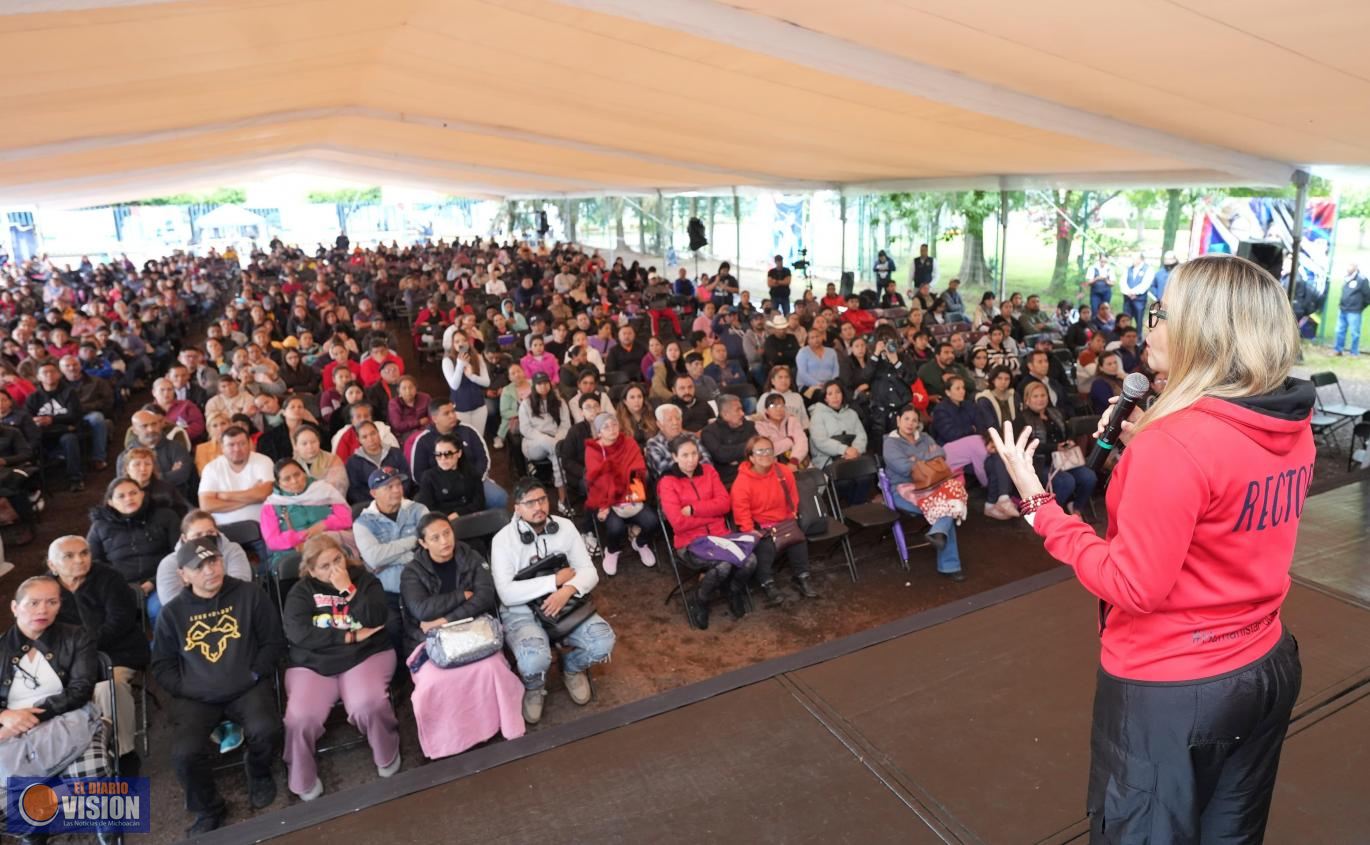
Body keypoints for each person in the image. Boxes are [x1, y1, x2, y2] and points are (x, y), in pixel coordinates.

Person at [988, 254, 1312, 842]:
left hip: (1174, 690)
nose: (1149, 327)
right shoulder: (1287, 421)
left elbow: (1133, 586)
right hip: (1265, 663)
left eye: (1162, 314)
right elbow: (1233, 510)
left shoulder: (1175, 446)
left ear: (1202, 331)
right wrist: (1159, 453)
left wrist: (1040, 506)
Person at [152, 538, 284, 835]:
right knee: (184, 753)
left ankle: (259, 772)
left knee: (267, 728)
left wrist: (254, 675)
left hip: (246, 685)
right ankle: (208, 807)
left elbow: (272, 641)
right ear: (183, 575)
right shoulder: (171, 613)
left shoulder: (250, 594)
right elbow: (161, 666)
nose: (209, 570)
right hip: (196, 696)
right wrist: (188, 687)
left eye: (213, 561)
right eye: (198, 566)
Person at [281, 535, 398, 801]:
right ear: (310, 571)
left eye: (337, 560)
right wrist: (348, 636)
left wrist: (349, 590)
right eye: (325, 566)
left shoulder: (363, 579)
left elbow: (377, 618)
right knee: (300, 719)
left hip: (364, 656)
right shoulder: (301, 592)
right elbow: (298, 633)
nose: (335, 570)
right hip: (314, 664)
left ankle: (386, 751)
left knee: (368, 704)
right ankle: (303, 777)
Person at [490, 478, 616, 725]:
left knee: (603, 642)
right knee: (533, 659)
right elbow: (506, 593)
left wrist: (566, 590)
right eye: (530, 502)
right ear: (517, 508)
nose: (538, 507)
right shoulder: (502, 540)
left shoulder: (565, 527)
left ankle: (571, 667)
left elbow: (589, 572)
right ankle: (535, 686)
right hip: (521, 611)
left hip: (565, 604)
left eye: (542, 499)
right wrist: (554, 581)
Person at [400, 515, 525, 758]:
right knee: (433, 683)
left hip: (474, 631)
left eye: (447, 533)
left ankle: (497, 725)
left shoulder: (471, 556)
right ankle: (448, 741)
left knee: (492, 668)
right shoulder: (412, 572)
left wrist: (445, 619)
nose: (445, 541)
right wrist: (461, 596)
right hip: (432, 640)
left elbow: (486, 596)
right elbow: (421, 610)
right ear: (423, 543)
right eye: (435, 538)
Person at [48, 536, 147, 772]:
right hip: (70, 661)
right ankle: (73, 758)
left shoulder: (109, 578)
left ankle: (124, 754)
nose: (80, 560)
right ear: (52, 565)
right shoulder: (46, 590)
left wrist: (84, 648)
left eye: (84, 553)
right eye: (69, 556)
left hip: (118, 651)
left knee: (109, 686)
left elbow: (120, 621)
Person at [0, 577, 102, 790]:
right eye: (34, 603)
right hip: (10, 726)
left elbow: (80, 690)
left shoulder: (76, 637)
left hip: (65, 716)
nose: (42, 610)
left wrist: (30, 718)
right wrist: (5, 717)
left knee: (90, 770)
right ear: (15, 607)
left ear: (59, 606)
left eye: (51, 602)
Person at [658, 435, 755, 628]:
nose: (691, 459)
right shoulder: (667, 482)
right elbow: (678, 523)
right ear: (674, 457)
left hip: (721, 536)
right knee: (723, 566)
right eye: (684, 455)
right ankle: (700, 599)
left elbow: (725, 504)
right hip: (690, 543)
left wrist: (694, 509)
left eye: (694, 453)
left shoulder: (709, 471)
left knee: (750, 561)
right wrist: (713, 511)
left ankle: (734, 590)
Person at [882, 405, 966, 581]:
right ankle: (949, 564)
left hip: (932, 484)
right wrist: (927, 459)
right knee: (947, 507)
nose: (910, 424)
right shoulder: (890, 443)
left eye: (914, 420)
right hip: (904, 489)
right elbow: (903, 468)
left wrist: (916, 461)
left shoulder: (925, 437)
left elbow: (941, 454)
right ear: (898, 420)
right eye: (906, 419)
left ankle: (938, 532)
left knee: (954, 490)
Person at [731, 435, 817, 602]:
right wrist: (751, 531)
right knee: (765, 546)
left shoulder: (782, 471)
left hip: (784, 520)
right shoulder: (742, 483)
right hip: (761, 526)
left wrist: (791, 515)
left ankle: (802, 577)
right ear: (751, 457)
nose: (766, 454)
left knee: (798, 539)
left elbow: (792, 494)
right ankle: (767, 583)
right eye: (760, 451)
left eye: (769, 450)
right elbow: (742, 513)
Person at [86, 477, 180, 621]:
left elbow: (178, 554)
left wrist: (153, 582)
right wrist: (121, 586)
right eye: (121, 496)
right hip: (119, 587)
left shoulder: (166, 516)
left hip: (160, 581)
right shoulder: (99, 527)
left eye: (133, 493)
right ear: (110, 502)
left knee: (160, 610)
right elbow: (94, 563)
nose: (129, 498)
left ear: (142, 494)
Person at [585, 413, 656, 575]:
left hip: (631, 495)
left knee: (652, 521)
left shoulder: (629, 442)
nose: (612, 429)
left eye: (614, 424)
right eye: (606, 427)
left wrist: (629, 491)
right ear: (598, 432)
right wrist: (605, 504)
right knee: (615, 528)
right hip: (608, 500)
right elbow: (598, 480)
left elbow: (638, 470)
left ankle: (640, 543)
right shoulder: (593, 449)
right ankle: (612, 550)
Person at [197, 425, 274, 566]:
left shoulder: (263, 461)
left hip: (261, 530)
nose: (237, 449)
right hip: (223, 533)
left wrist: (225, 496)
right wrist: (251, 497)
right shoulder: (212, 468)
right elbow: (206, 505)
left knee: (271, 563)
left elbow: (264, 493)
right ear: (222, 447)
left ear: (250, 443)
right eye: (231, 445)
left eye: (242, 443)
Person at [261, 458, 352, 576]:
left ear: (304, 473)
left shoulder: (323, 490)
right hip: (294, 551)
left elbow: (346, 519)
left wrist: (324, 525)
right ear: (279, 484)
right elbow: (273, 542)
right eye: (287, 479)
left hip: (330, 543)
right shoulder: (271, 505)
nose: (294, 481)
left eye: (297, 475)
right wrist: (301, 536)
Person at [1019, 381, 1096, 515]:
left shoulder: (1055, 412)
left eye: (1043, 395)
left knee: (1089, 477)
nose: (1040, 399)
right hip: (1040, 463)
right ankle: (1051, 514)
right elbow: (1025, 445)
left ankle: (1076, 509)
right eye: (1035, 396)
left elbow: (1069, 431)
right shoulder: (1022, 418)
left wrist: (1069, 441)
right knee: (1066, 481)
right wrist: (1054, 447)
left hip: (1063, 460)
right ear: (1027, 400)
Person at [155, 510, 254, 607]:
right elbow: (171, 604)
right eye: (198, 535)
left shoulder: (232, 550)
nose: (205, 538)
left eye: (210, 532)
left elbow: (241, 586)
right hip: (188, 617)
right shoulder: (169, 563)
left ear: (217, 532)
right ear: (184, 538)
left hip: (232, 607)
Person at [26, 362, 84, 491]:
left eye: (52, 371)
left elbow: (75, 415)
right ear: (38, 377)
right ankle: (36, 484)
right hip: (45, 432)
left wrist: (51, 419)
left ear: (58, 374)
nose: (49, 375)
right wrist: (36, 420)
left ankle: (75, 479)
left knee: (69, 439)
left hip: (65, 432)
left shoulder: (69, 392)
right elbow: (27, 419)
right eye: (44, 373)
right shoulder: (33, 397)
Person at [518, 372, 571, 507]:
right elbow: (525, 429)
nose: (543, 386)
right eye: (539, 384)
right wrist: (547, 440)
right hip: (532, 443)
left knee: (556, 454)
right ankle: (564, 500)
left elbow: (565, 425)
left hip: (555, 439)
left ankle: (562, 500)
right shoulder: (526, 403)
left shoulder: (560, 401)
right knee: (556, 449)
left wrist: (557, 439)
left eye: (546, 383)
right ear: (534, 386)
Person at [930, 376, 989, 487]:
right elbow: (951, 435)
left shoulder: (969, 405)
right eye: (957, 388)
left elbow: (981, 427)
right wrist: (971, 429)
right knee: (979, 449)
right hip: (950, 451)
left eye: (963, 388)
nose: (962, 391)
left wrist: (973, 431)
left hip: (973, 448)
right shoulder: (941, 409)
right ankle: (990, 488)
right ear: (948, 392)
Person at [58, 354, 111, 472]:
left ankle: (98, 458)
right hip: (66, 416)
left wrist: (84, 407)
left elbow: (107, 401)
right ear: (61, 369)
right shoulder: (57, 386)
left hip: (88, 413)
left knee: (97, 418)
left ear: (80, 365)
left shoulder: (97, 381)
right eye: (67, 366)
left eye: (75, 364)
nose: (72, 368)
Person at [415, 433, 486, 518]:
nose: (443, 459)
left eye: (448, 454)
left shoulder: (471, 472)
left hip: (470, 516)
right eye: (438, 454)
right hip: (442, 521)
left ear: (459, 453)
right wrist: (447, 517)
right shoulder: (429, 477)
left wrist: (458, 514)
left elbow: (479, 502)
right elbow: (428, 509)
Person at [344, 420, 411, 505]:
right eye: (365, 437)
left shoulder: (395, 453)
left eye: (373, 433)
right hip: (371, 505)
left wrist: (397, 496)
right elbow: (355, 491)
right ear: (359, 440)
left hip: (399, 499)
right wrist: (379, 502)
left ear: (378, 433)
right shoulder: (353, 462)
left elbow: (406, 478)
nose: (371, 439)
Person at [808, 380, 866, 473]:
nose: (835, 396)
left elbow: (861, 435)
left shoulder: (852, 413)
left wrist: (856, 450)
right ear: (825, 398)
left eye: (838, 392)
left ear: (842, 394)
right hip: (828, 459)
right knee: (845, 476)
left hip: (853, 456)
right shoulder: (817, 415)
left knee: (866, 474)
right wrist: (844, 450)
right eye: (830, 394)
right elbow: (820, 441)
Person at [752, 392, 808, 466]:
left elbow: (802, 442)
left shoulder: (792, 420)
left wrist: (794, 461)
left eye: (781, 406)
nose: (778, 409)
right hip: (772, 465)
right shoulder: (760, 425)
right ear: (766, 410)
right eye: (773, 406)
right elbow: (768, 449)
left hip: (796, 463)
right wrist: (790, 440)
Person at [291, 424, 347, 497]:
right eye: (304, 444)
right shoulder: (291, 465)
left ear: (319, 442)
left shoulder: (333, 459)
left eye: (313, 442)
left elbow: (338, 489)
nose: (310, 446)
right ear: (295, 447)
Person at [1333, 263, 1367, 356]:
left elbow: (1367, 296)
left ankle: (1354, 352)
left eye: (1350, 266)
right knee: (1339, 331)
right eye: (1348, 266)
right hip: (1343, 309)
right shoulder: (1346, 278)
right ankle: (1338, 350)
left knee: (1354, 333)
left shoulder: (1362, 280)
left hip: (1354, 311)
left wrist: (1359, 307)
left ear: (1356, 267)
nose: (1348, 268)